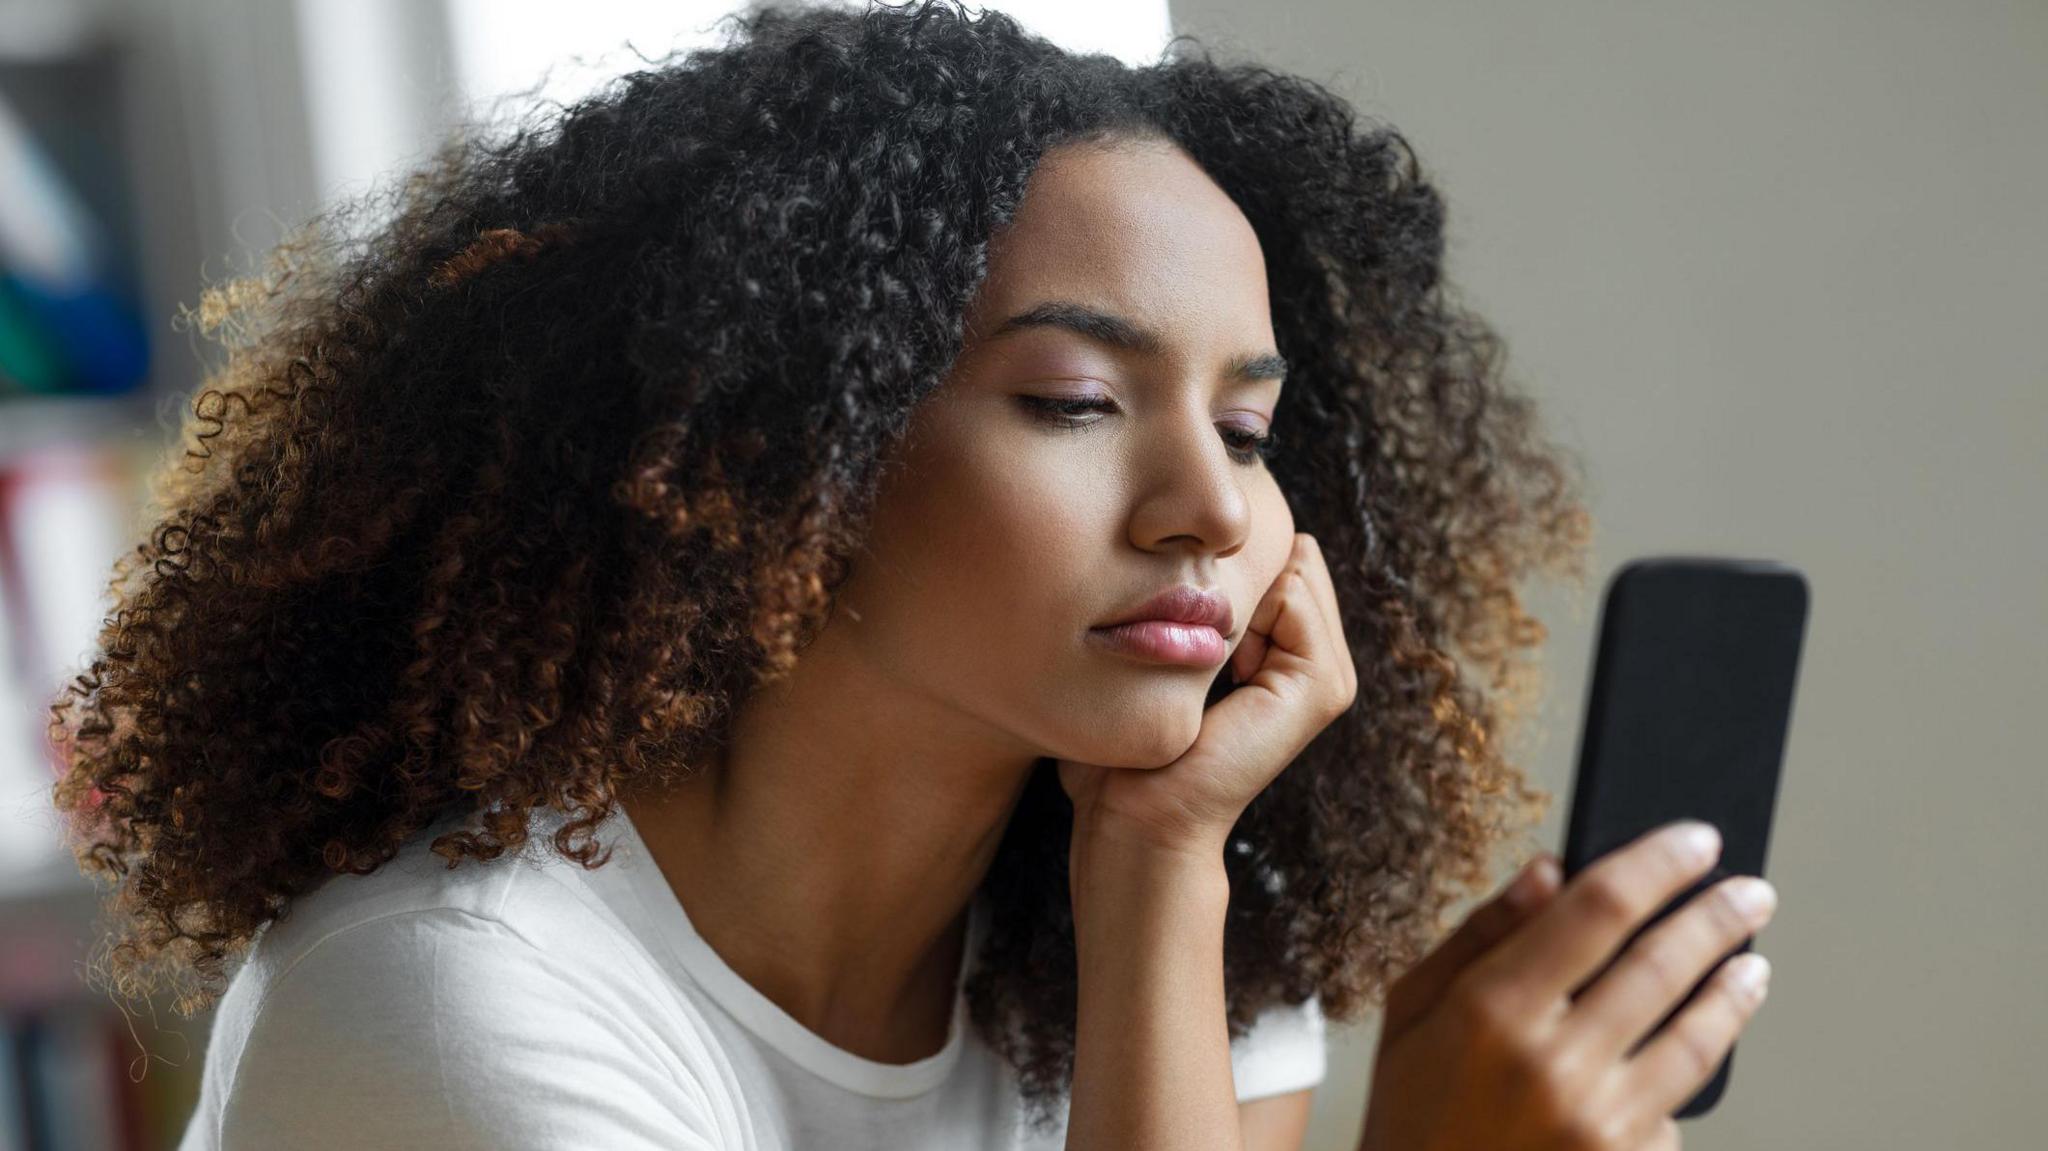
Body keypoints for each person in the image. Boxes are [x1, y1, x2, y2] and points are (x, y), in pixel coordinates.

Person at [47, 2, 1774, 1148]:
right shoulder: (449, 1011)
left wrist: (1162, 870)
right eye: (1076, 402)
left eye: (1249, 434)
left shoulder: (1147, 902)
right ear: (775, 449)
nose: (1206, 508)